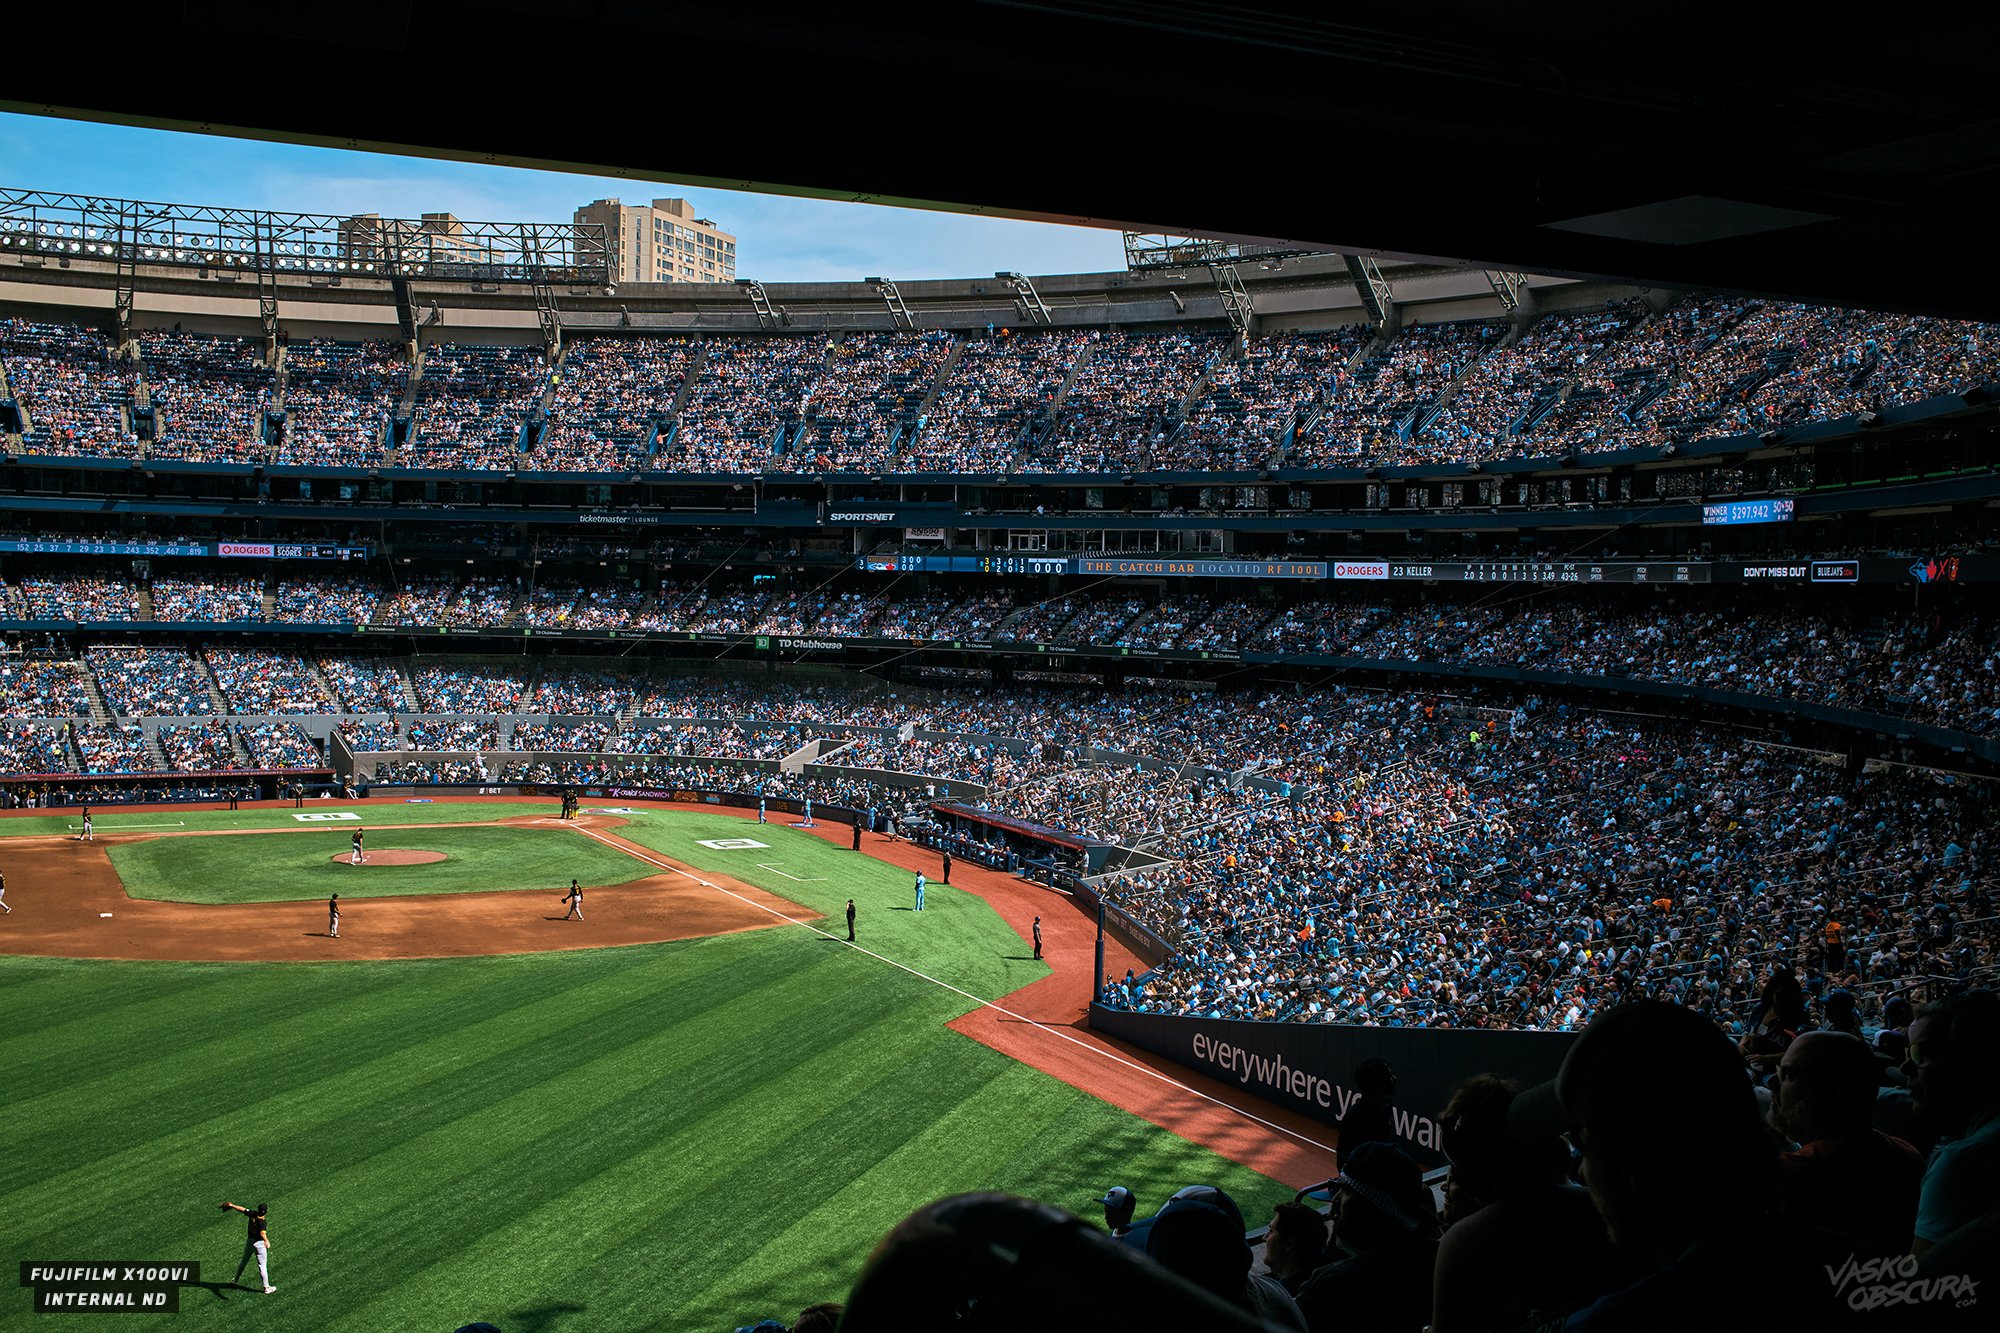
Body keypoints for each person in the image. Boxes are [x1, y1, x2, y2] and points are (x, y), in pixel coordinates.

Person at [1507, 999, 1857, 1330]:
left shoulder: (1616, 1320)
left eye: (1585, 1148)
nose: (1583, 1172)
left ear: (1627, 1165)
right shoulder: (1856, 1266)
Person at [1427, 1074, 1622, 1333]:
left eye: (1457, 1171)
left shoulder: (1465, 1242)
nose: (1448, 1183)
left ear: (1475, 1177)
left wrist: (1464, 1227)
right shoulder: (1601, 1211)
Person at [1770, 1030, 1923, 1257]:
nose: (1774, 1082)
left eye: (1788, 1074)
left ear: (1832, 1094)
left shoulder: (1791, 1174)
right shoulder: (1906, 1154)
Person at [1294, 1142, 1440, 1333]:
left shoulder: (1329, 1285)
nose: (1335, 1200)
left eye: (1347, 1190)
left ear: (1374, 1208)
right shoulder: (1440, 1259)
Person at [1908, 990, 2000, 1261]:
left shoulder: (1963, 1163)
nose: (1906, 1068)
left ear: (1970, 1060)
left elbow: (1917, 1282)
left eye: (1920, 1054)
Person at [1261, 1202, 1328, 1296]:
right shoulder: (1319, 1276)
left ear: (1289, 1243)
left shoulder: (1277, 1296)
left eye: (1271, 1231)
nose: (1264, 1237)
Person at [1336, 1058, 1398, 1155]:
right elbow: (1343, 1156)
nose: (1394, 1078)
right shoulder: (1354, 1117)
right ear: (1377, 1085)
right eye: (1389, 1076)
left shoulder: (1387, 1105)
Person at [219, 1200, 274, 1293]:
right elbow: (262, 1233)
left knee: (244, 1261)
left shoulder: (253, 1214)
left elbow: (242, 1209)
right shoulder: (263, 1222)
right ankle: (266, 1288)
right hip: (259, 1244)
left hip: (250, 1242)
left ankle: (235, 1280)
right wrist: (267, 1241)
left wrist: (232, 1205)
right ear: (266, 1211)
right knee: (262, 1266)